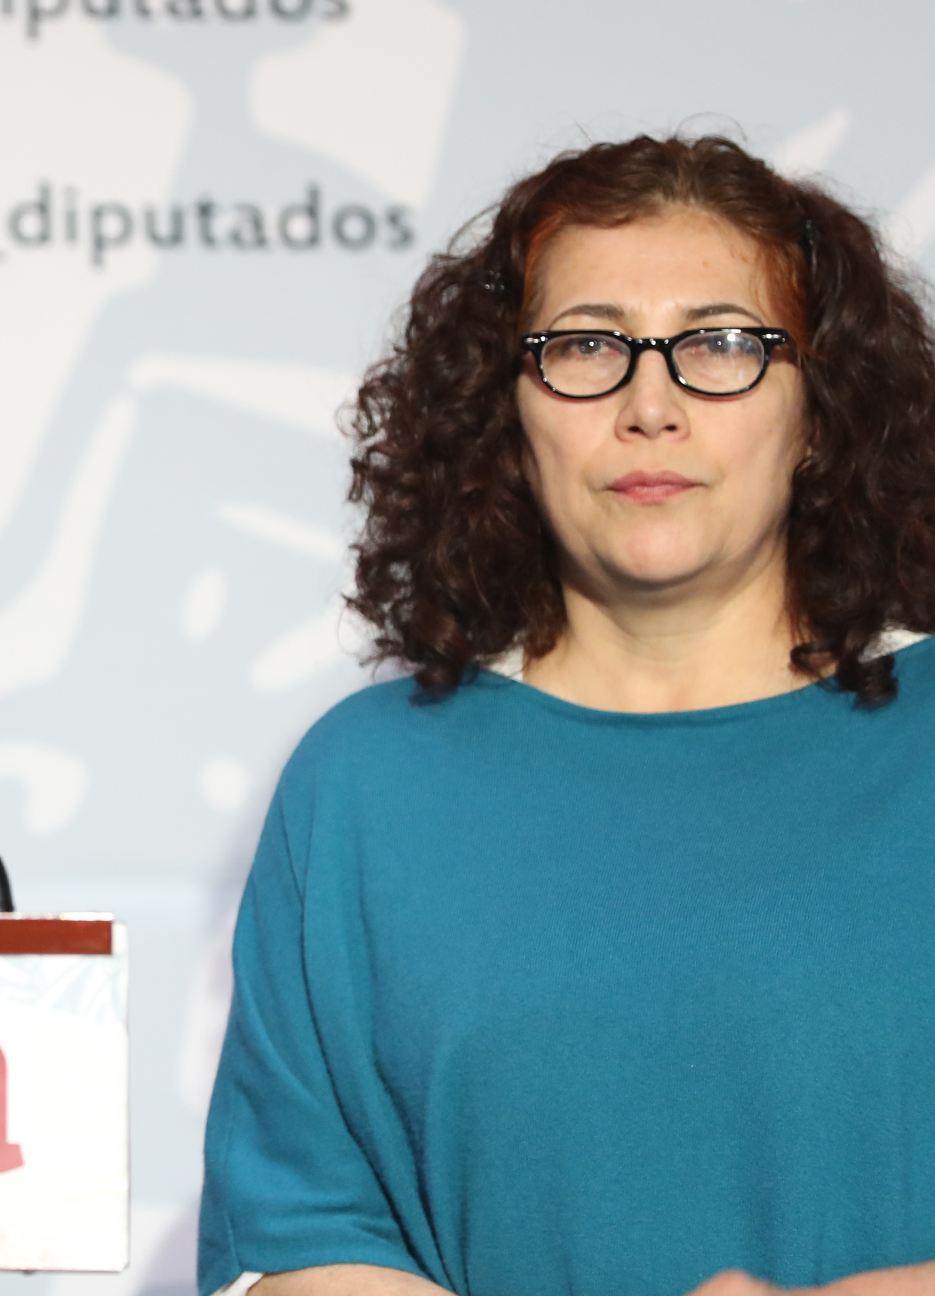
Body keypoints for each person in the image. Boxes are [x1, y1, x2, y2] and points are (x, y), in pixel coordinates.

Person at [199, 135, 935, 1296]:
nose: (650, 405)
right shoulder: (368, 784)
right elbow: (296, 1235)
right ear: (504, 408)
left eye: (721, 344)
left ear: (820, 409)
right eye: (586, 345)